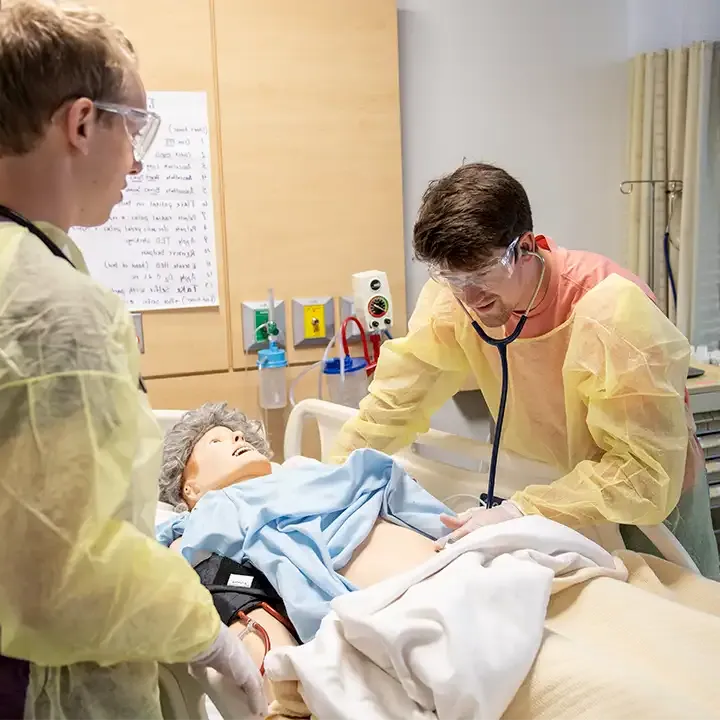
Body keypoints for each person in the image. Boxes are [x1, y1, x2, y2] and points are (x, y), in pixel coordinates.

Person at [0, 2, 263, 719]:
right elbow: (60, 572)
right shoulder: (52, 311)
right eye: (135, 126)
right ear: (82, 123)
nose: (139, 158)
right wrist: (202, 626)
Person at [158, 402, 720, 720]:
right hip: (417, 606)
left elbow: (413, 502)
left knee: (642, 615)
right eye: (215, 441)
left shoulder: (316, 468)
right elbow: (226, 596)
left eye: (239, 433)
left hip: (477, 566)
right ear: (188, 489)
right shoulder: (207, 520)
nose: (235, 439)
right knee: (599, 686)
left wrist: (478, 535)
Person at [331, 162, 719, 578]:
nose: (471, 297)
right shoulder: (454, 300)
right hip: (552, 491)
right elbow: (396, 400)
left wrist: (523, 509)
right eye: (452, 277)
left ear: (527, 246)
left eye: (483, 273)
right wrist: (332, 473)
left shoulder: (611, 313)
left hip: (644, 509)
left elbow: (644, 472)